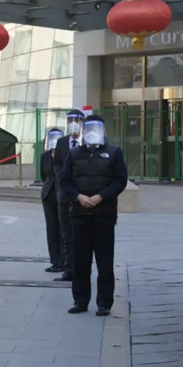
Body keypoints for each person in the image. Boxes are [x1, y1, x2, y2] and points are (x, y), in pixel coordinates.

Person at [58, 115, 128, 316]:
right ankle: (80, 300)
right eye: (88, 128)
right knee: (80, 261)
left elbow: (120, 180)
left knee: (104, 262)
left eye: (96, 128)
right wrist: (78, 197)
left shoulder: (113, 152)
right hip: (79, 214)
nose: (92, 132)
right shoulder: (74, 153)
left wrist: (100, 197)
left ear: (103, 130)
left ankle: (104, 303)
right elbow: (64, 181)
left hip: (103, 215)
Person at [52, 108, 85, 282]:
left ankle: (82, 269)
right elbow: (57, 164)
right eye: (70, 120)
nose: (73, 124)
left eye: (77, 120)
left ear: (82, 123)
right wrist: (65, 181)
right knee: (67, 236)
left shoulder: (88, 141)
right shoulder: (62, 142)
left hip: (84, 196)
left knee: (83, 236)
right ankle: (69, 270)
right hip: (65, 196)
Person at [41, 128, 64, 273]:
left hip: (62, 194)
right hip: (48, 194)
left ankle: (64, 261)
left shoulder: (66, 154)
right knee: (52, 229)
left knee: (63, 228)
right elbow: (43, 176)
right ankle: (55, 261)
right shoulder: (44, 156)